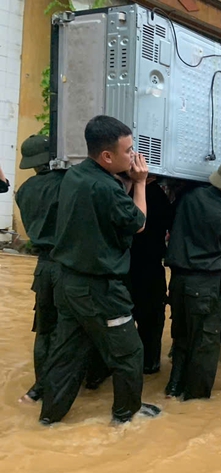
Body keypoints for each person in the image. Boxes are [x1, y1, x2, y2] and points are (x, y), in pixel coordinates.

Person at [40, 115, 161, 424]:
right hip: (100, 288)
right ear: (107, 156)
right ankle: (125, 417)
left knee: (66, 354)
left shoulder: (75, 175)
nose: (133, 156)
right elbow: (138, 222)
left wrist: (127, 181)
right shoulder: (106, 187)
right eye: (128, 151)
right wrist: (140, 183)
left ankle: (49, 419)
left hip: (69, 282)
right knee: (129, 352)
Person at [164, 159, 221, 400]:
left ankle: (173, 389)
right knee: (205, 344)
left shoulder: (190, 196)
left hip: (178, 281)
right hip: (205, 285)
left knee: (182, 337)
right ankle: (196, 400)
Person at [14, 135, 65, 404]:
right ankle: (60, 388)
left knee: (44, 330)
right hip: (68, 266)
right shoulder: (66, 183)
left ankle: (38, 388)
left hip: (42, 267)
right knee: (67, 330)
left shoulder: (24, 190)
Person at [123, 175, 173, 374]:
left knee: (120, 320)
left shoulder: (121, 191)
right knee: (151, 322)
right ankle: (149, 365)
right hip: (150, 267)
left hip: (122, 267)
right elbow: (170, 224)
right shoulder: (158, 196)